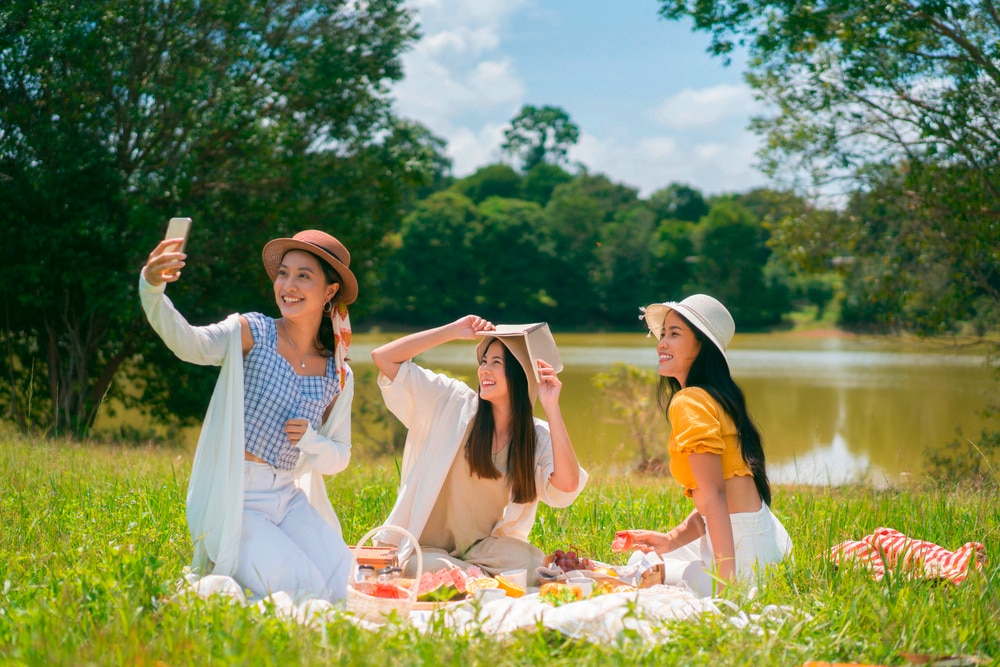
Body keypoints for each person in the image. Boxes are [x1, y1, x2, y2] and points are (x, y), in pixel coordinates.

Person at [139, 228, 358, 602]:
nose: (287, 285)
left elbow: (339, 457)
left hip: (287, 497)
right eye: (283, 273)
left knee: (346, 586)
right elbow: (189, 343)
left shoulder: (337, 372)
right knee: (305, 590)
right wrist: (151, 288)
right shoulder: (252, 331)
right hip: (238, 500)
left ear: (330, 291)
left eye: (304, 275)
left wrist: (310, 440)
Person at [370, 317, 588, 586]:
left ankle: (470, 577)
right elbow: (384, 358)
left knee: (531, 561)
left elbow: (567, 486)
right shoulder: (453, 401)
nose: (484, 369)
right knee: (423, 567)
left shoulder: (535, 435)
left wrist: (552, 406)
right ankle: (476, 579)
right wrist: (452, 331)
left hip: (482, 550)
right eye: (484, 361)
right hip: (425, 548)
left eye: (496, 363)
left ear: (522, 375)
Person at [614, 294, 791, 596]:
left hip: (744, 558)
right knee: (646, 557)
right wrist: (671, 539)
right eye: (663, 333)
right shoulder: (719, 396)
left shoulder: (690, 400)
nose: (662, 343)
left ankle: (722, 581)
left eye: (675, 334)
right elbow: (717, 504)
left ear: (701, 347)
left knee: (639, 572)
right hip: (767, 540)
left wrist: (726, 583)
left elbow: (712, 494)